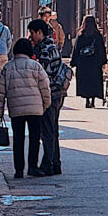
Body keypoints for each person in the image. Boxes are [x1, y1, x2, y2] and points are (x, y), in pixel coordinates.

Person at [0, 37, 49, 179]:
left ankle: (19, 170)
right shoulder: (35, 66)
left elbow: (0, 92)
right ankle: (33, 167)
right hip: (35, 109)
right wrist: (44, 106)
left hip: (16, 110)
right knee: (34, 138)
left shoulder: (8, 67)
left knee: (18, 139)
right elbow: (45, 87)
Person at [29, 18, 72, 176]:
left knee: (47, 130)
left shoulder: (46, 49)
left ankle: (48, 164)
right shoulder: (50, 46)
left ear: (39, 32)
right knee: (52, 129)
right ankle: (55, 163)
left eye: (32, 33)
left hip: (51, 93)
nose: (31, 36)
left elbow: (44, 74)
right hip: (57, 92)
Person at [71, 15, 108, 108]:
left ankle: (87, 99)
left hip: (83, 63)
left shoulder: (81, 35)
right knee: (94, 80)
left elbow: (76, 49)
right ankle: (93, 100)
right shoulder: (97, 35)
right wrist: (103, 61)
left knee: (85, 81)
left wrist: (74, 61)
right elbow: (101, 49)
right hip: (95, 63)